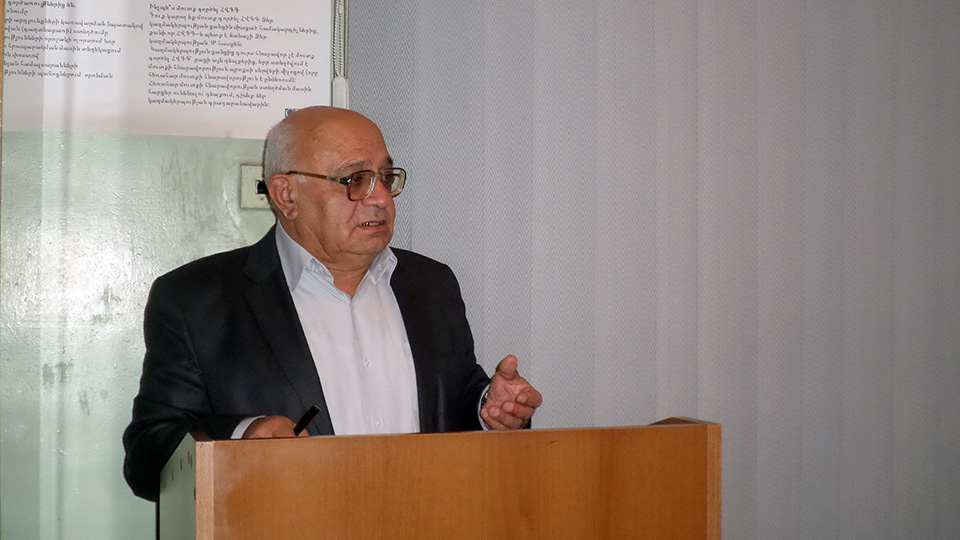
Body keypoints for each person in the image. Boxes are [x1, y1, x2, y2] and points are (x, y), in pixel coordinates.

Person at [122, 106, 542, 501]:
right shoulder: (197, 300)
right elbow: (148, 459)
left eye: (385, 177)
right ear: (286, 195)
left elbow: (455, 403)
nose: (381, 198)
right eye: (355, 179)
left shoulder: (432, 285)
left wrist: (489, 409)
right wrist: (242, 436)